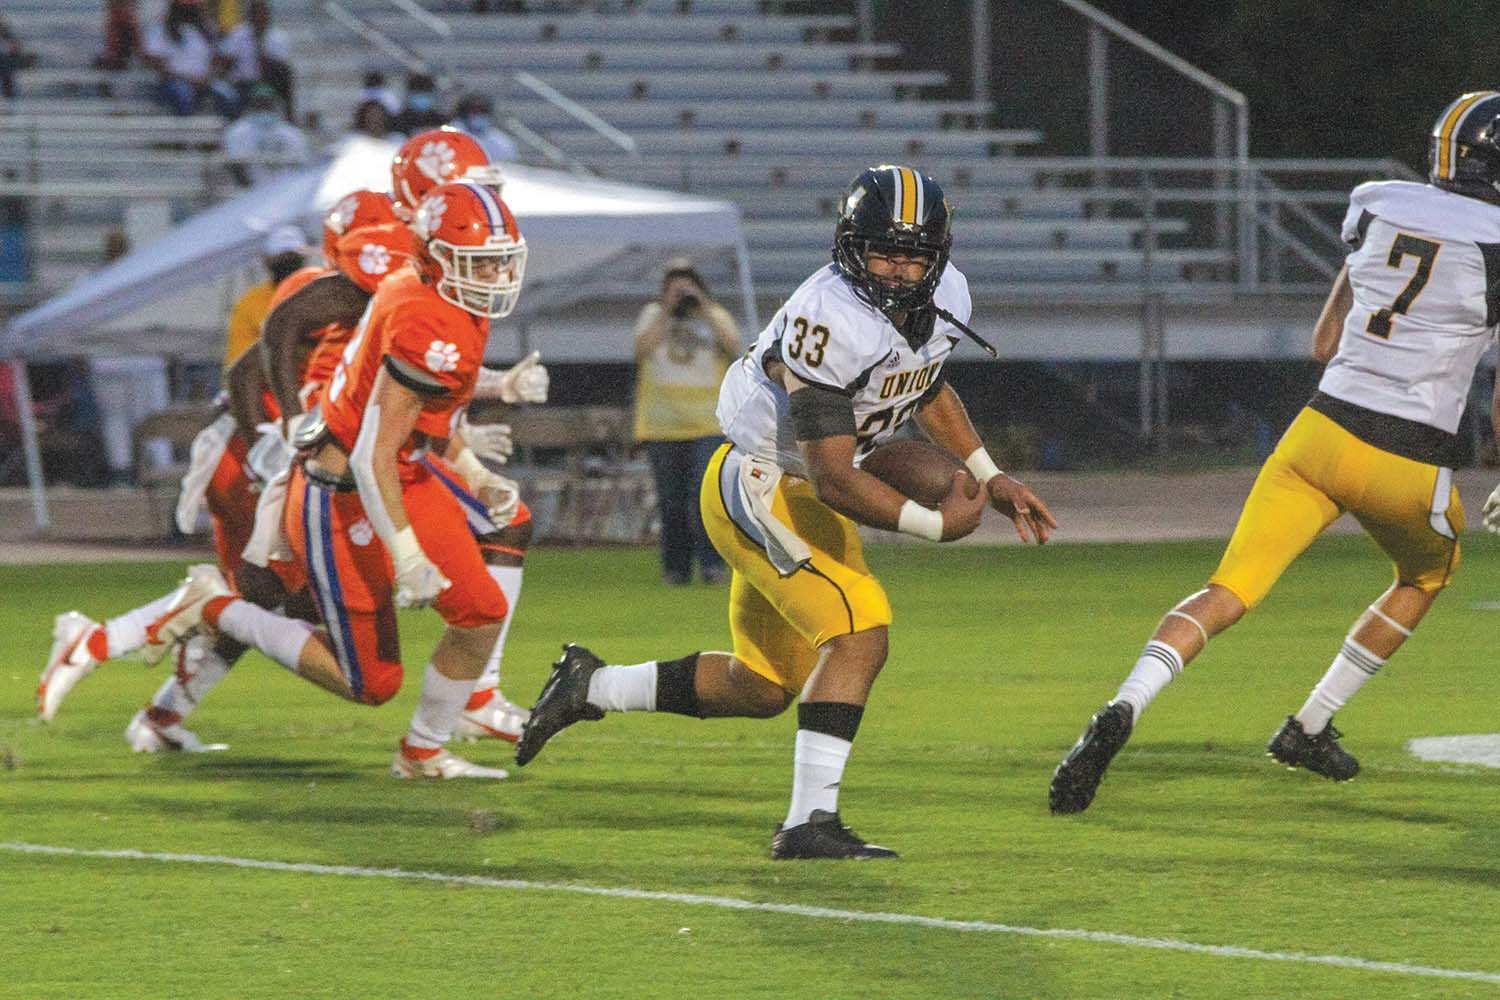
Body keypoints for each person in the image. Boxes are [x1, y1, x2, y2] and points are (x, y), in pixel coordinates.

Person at [514, 165, 1056, 858]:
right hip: (761, 481)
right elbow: (834, 478)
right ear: (851, 248)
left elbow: (925, 387)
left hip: (801, 483)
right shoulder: (827, 318)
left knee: (764, 685)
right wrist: (934, 525)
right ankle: (808, 824)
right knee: (860, 633)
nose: (899, 270)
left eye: (914, 255)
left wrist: (988, 474)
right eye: (885, 252)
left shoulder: (946, 293)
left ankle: (592, 685)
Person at [1049, 92, 1500, 816]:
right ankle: (1309, 725)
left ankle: (1126, 702)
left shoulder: (1379, 203)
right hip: (1408, 455)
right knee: (1428, 573)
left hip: (1317, 433)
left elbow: (1324, 343)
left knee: (1228, 589)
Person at [142, 180, 532, 779]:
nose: (496, 275)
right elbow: (373, 453)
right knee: (371, 683)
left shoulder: (443, 300)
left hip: (404, 471)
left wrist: (478, 458)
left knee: (481, 611)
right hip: (341, 491)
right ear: (433, 256)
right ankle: (217, 607)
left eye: (501, 260)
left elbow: (428, 403)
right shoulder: (421, 314)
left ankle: (422, 753)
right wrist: (408, 556)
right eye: (479, 261)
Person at [632, 259, 739, 585]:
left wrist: (703, 308)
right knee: (671, 501)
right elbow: (640, 350)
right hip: (662, 425)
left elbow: (734, 348)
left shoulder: (714, 315)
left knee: (704, 498)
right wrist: (667, 311)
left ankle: (712, 565)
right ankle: (676, 569)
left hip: (708, 423)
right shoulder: (653, 315)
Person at [223, 226, 306, 369]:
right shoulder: (250, 303)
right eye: (281, 259)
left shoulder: (323, 293)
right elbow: (240, 364)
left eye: (292, 258)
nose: (287, 265)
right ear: (266, 260)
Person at [141, 1, 231, 117]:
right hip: (175, 81)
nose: (189, 10)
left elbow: (216, 61)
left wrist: (208, 78)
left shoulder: (205, 32)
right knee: (184, 95)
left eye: (193, 7)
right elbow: (159, 66)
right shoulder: (161, 30)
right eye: (185, 7)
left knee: (229, 95)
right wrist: (190, 80)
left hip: (205, 81)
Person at [222, 83, 309, 188]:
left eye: (266, 103)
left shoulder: (292, 134)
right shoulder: (236, 133)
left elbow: (302, 166)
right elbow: (235, 167)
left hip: (287, 191)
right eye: (260, 103)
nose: (263, 106)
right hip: (252, 191)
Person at [215, 0, 293, 117]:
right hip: (242, 83)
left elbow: (281, 69)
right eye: (255, 13)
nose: (258, 17)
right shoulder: (238, 34)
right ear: (249, 15)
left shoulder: (279, 37)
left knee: (283, 77)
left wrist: (258, 43)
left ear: (268, 15)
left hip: (268, 84)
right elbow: (223, 61)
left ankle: (289, 116)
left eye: (262, 13)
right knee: (225, 92)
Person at [450, 94, 519, 162]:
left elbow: (509, 159)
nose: (478, 116)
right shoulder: (453, 132)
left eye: (482, 112)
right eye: (474, 112)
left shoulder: (500, 141)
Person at [94, 0, 142, 72]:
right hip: (116, 63)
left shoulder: (125, 23)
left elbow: (140, 52)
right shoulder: (120, 22)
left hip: (117, 63)